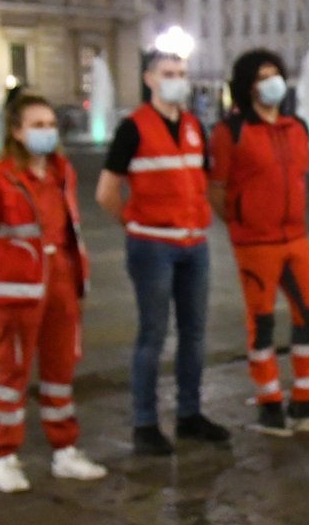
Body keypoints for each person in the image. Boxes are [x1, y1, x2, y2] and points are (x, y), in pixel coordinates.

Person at [0, 94, 107, 493]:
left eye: (50, 124)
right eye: (37, 124)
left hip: (61, 281)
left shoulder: (62, 171)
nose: (46, 131)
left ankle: (65, 449)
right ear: (15, 131)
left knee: (61, 371)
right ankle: (5, 456)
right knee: (12, 373)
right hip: (16, 289)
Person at [209, 49, 309, 435]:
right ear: (246, 86)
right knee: (263, 321)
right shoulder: (230, 131)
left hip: (296, 238)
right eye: (261, 76)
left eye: (275, 74)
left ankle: (307, 395)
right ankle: (269, 400)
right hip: (257, 243)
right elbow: (216, 188)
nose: (270, 82)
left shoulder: (296, 127)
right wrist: (241, 221)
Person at [97, 52, 229, 452]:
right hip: (153, 245)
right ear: (150, 79)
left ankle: (189, 415)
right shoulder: (133, 128)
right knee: (152, 335)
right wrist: (136, 224)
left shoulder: (193, 127)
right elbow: (106, 192)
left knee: (193, 334)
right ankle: (145, 423)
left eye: (182, 74)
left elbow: (201, 181)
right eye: (169, 74)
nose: (177, 80)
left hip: (193, 244)